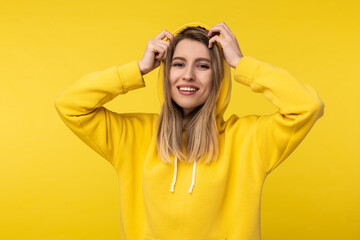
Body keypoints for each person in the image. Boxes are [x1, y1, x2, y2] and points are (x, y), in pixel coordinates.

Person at [55, 22, 324, 240]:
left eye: (203, 66)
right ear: (166, 72)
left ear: (218, 76)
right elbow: (70, 105)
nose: (188, 75)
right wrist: (139, 68)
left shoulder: (249, 140)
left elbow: (307, 106)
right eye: (179, 63)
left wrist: (241, 64)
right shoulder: (133, 135)